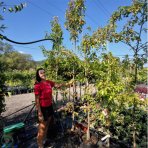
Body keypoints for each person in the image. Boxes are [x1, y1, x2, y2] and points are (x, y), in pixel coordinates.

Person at [34, 68, 72, 148]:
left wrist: (68, 83)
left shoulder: (48, 82)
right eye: (41, 73)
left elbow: (58, 85)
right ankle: (40, 144)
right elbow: (37, 99)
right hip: (42, 108)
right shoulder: (37, 85)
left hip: (49, 106)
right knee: (42, 126)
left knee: (47, 124)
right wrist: (39, 112)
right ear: (38, 75)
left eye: (44, 72)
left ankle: (44, 140)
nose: (43, 74)